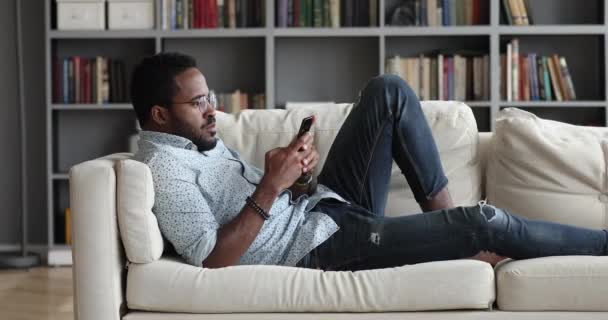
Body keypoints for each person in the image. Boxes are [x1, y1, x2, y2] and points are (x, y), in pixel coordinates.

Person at [131, 52, 608, 271]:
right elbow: (212, 259)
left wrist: (296, 176)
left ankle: (446, 229)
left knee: (389, 91)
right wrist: (271, 188)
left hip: (320, 209)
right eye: (198, 103)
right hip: (321, 248)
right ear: (159, 115)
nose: (212, 109)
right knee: (484, 220)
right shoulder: (166, 171)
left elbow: (266, 202)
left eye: (209, 97)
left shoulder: (201, 142)